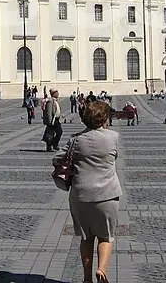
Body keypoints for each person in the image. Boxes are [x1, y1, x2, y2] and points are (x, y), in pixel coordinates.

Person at [53, 100, 120, 283]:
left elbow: (57, 159)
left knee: (86, 238)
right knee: (106, 237)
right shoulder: (112, 137)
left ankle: (86, 279)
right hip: (107, 195)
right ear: (104, 118)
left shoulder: (75, 140)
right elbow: (115, 156)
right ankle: (102, 269)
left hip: (81, 196)